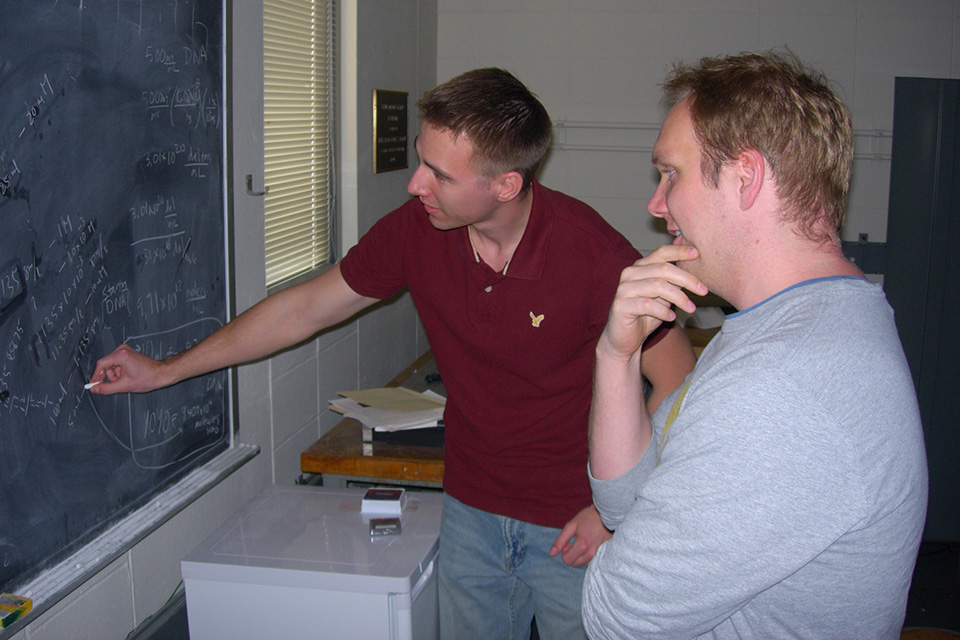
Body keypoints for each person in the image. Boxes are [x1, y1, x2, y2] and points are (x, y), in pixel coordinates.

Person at [89, 68, 696, 639]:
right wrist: (165, 370)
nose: (415, 185)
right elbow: (301, 309)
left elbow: (678, 383)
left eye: (439, 174)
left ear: (505, 185)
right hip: (469, 508)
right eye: (419, 162)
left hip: (575, 521)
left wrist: (614, 510)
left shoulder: (592, 255)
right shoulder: (416, 231)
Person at [581, 51, 929, 639]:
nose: (656, 204)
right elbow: (625, 508)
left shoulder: (782, 385)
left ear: (745, 177)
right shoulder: (788, 324)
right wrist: (616, 357)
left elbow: (619, 616)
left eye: (671, 173)